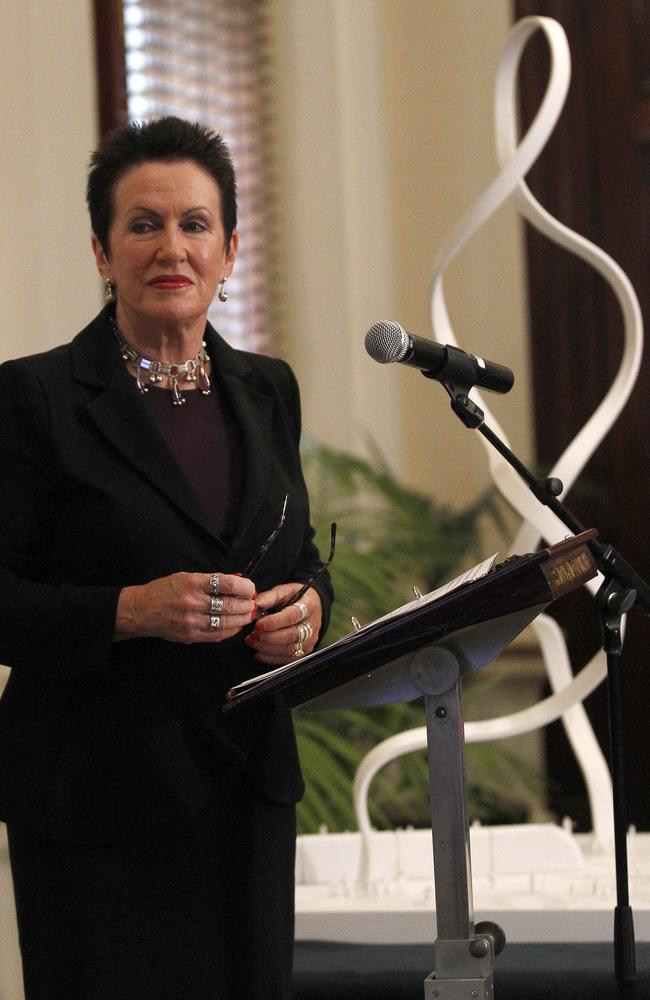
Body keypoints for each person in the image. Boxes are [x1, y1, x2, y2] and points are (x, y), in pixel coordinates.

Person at [0, 116, 333, 1000]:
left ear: (229, 249)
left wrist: (310, 613)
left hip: (246, 787)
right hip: (98, 799)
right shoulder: (34, 398)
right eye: (142, 225)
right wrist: (132, 611)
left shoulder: (269, 389)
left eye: (194, 225)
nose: (170, 247)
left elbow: (295, 555)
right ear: (104, 253)